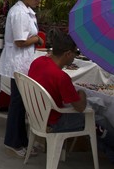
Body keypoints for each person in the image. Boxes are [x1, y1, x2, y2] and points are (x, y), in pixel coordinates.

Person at [28, 29, 114, 163]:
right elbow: (80, 107)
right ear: (68, 54)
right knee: (100, 120)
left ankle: (109, 153)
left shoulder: (38, 62)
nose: (75, 57)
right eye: (76, 53)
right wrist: (82, 93)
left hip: (37, 116)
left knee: (96, 124)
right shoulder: (61, 77)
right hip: (55, 122)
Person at [0, 0, 45, 158]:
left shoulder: (25, 11)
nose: (39, 1)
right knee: (18, 104)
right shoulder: (18, 13)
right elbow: (20, 41)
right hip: (18, 62)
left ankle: (22, 141)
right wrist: (37, 39)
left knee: (22, 103)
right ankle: (13, 143)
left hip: (23, 62)